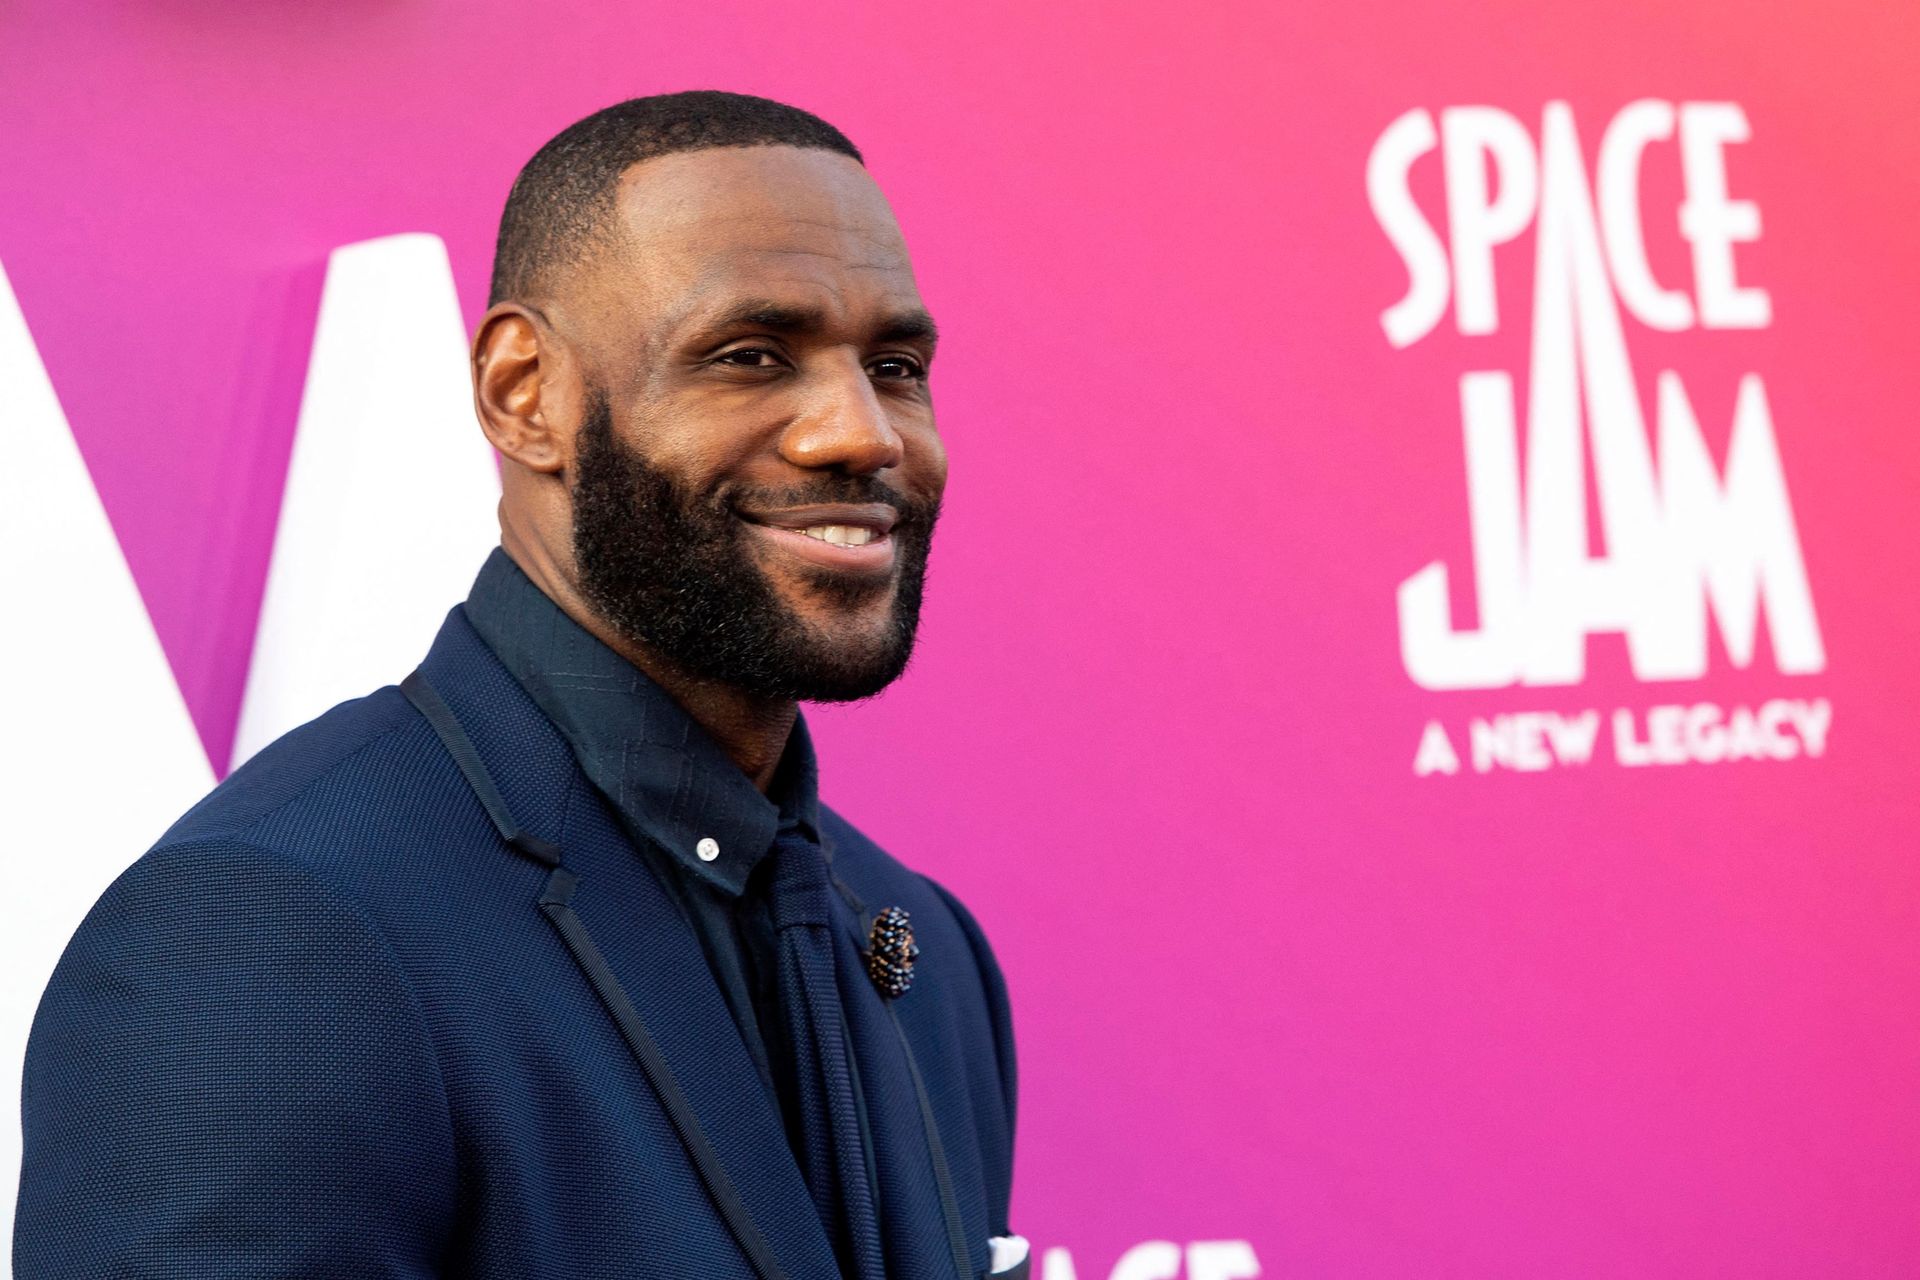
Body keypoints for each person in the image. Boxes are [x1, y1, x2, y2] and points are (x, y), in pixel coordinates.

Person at [14, 91, 1020, 1279]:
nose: (861, 433)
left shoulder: (927, 949)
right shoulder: (269, 934)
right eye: (751, 356)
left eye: (895, 366)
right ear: (522, 392)